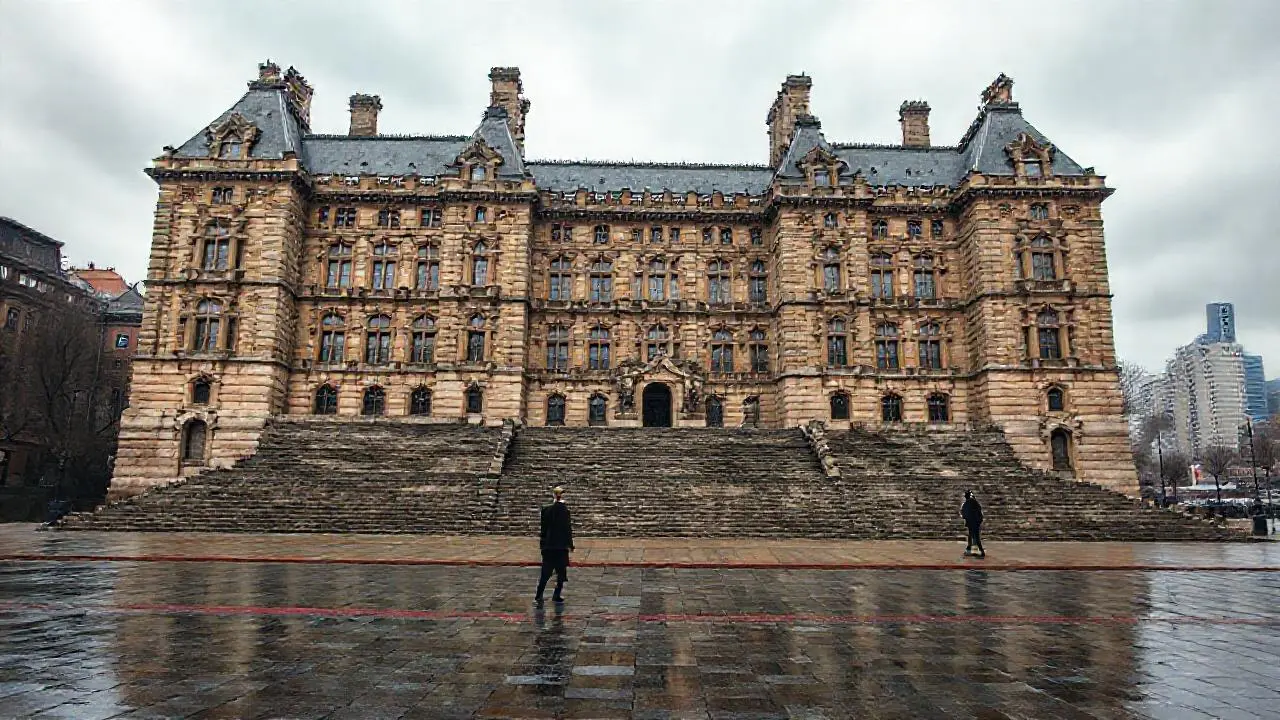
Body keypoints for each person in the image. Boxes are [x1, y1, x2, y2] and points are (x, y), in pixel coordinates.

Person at [535, 486, 574, 604]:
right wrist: (570, 544)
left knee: (545, 573)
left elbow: (543, 529)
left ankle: (539, 594)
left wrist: (542, 544)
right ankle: (557, 594)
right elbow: (567, 529)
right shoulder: (564, 511)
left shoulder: (546, 510)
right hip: (560, 547)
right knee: (561, 573)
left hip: (548, 546)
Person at [961, 490, 985, 558]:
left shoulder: (968, 503)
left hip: (972, 523)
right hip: (976, 522)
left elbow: (964, 513)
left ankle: (981, 551)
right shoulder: (975, 502)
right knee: (972, 536)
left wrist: (967, 518)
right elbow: (979, 511)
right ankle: (969, 549)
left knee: (975, 537)